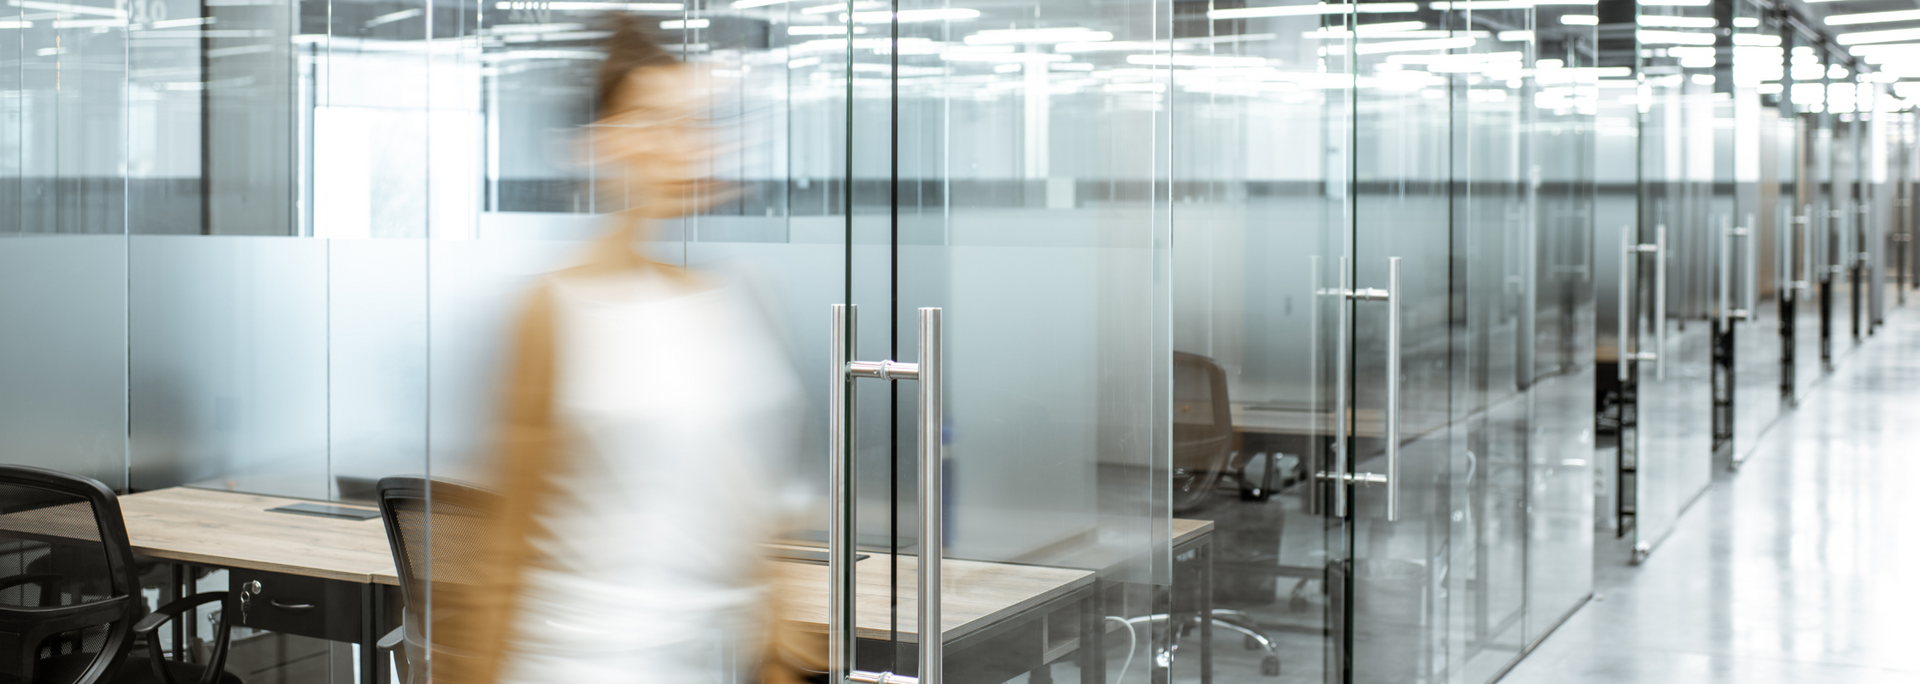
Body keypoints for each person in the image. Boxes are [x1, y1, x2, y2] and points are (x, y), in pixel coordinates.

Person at [434, 15, 815, 684]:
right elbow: (501, 550)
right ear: (599, 142)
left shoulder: (738, 301)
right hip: (575, 665)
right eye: (655, 121)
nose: (683, 146)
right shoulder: (554, 310)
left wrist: (779, 642)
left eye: (696, 123)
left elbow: (751, 514)